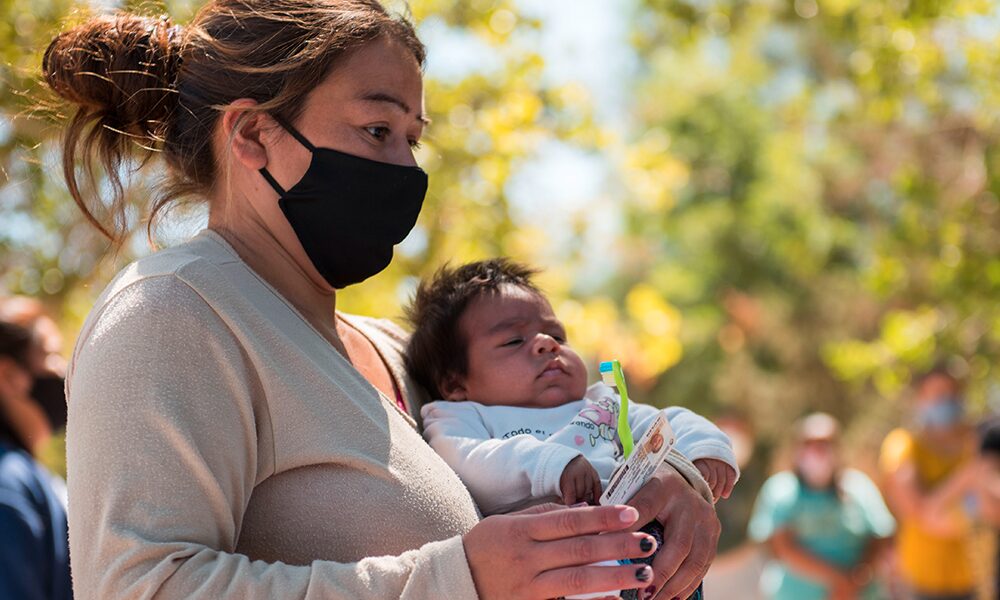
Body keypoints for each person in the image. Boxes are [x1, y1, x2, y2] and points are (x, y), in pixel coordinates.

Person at [41, 2, 721, 598]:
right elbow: (140, 589)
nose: (406, 170)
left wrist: (675, 484)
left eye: (414, 139)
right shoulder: (171, 314)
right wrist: (459, 580)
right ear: (250, 135)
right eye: (377, 130)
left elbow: (575, 440)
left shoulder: (406, 352)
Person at [408, 258, 739, 516]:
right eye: (513, 340)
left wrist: (702, 446)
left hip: (641, 537)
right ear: (455, 383)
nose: (547, 345)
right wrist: (550, 464)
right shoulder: (461, 415)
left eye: (557, 336)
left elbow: (664, 423)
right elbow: (469, 461)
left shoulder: (599, 404)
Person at [748, 413, 896, 600]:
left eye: (824, 444)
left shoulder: (859, 486)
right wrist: (838, 580)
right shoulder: (781, 490)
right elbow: (781, 547)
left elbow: (881, 539)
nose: (816, 452)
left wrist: (856, 581)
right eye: (809, 444)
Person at [880, 368, 978, 600]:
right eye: (937, 394)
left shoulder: (980, 441)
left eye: (951, 393)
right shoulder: (902, 444)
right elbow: (915, 510)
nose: (946, 401)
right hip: (920, 583)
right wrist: (968, 477)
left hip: (977, 580)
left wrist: (935, 509)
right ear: (920, 399)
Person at [0, 321, 73, 600]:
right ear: (8, 376)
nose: (63, 369)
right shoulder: (8, 483)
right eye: (51, 355)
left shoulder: (20, 474)